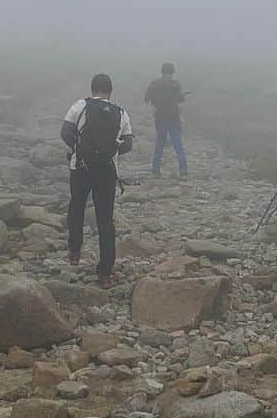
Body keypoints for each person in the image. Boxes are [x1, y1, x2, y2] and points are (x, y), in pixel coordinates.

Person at [61, 73, 134, 288]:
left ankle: (75, 251)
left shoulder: (80, 106)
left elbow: (65, 132)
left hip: (80, 167)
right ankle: (105, 272)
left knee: (77, 207)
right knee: (105, 219)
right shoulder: (120, 113)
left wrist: (80, 149)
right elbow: (128, 144)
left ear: (92, 89)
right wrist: (108, 152)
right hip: (107, 171)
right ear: (110, 91)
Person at [144, 61, 188, 179]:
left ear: (162, 71)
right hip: (173, 118)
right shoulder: (175, 85)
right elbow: (181, 101)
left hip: (160, 118)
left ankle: (155, 171)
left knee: (159, 144)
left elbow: (146, 98)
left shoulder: (155, 84)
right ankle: (183, 172)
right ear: (173, 72)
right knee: (177, 144)